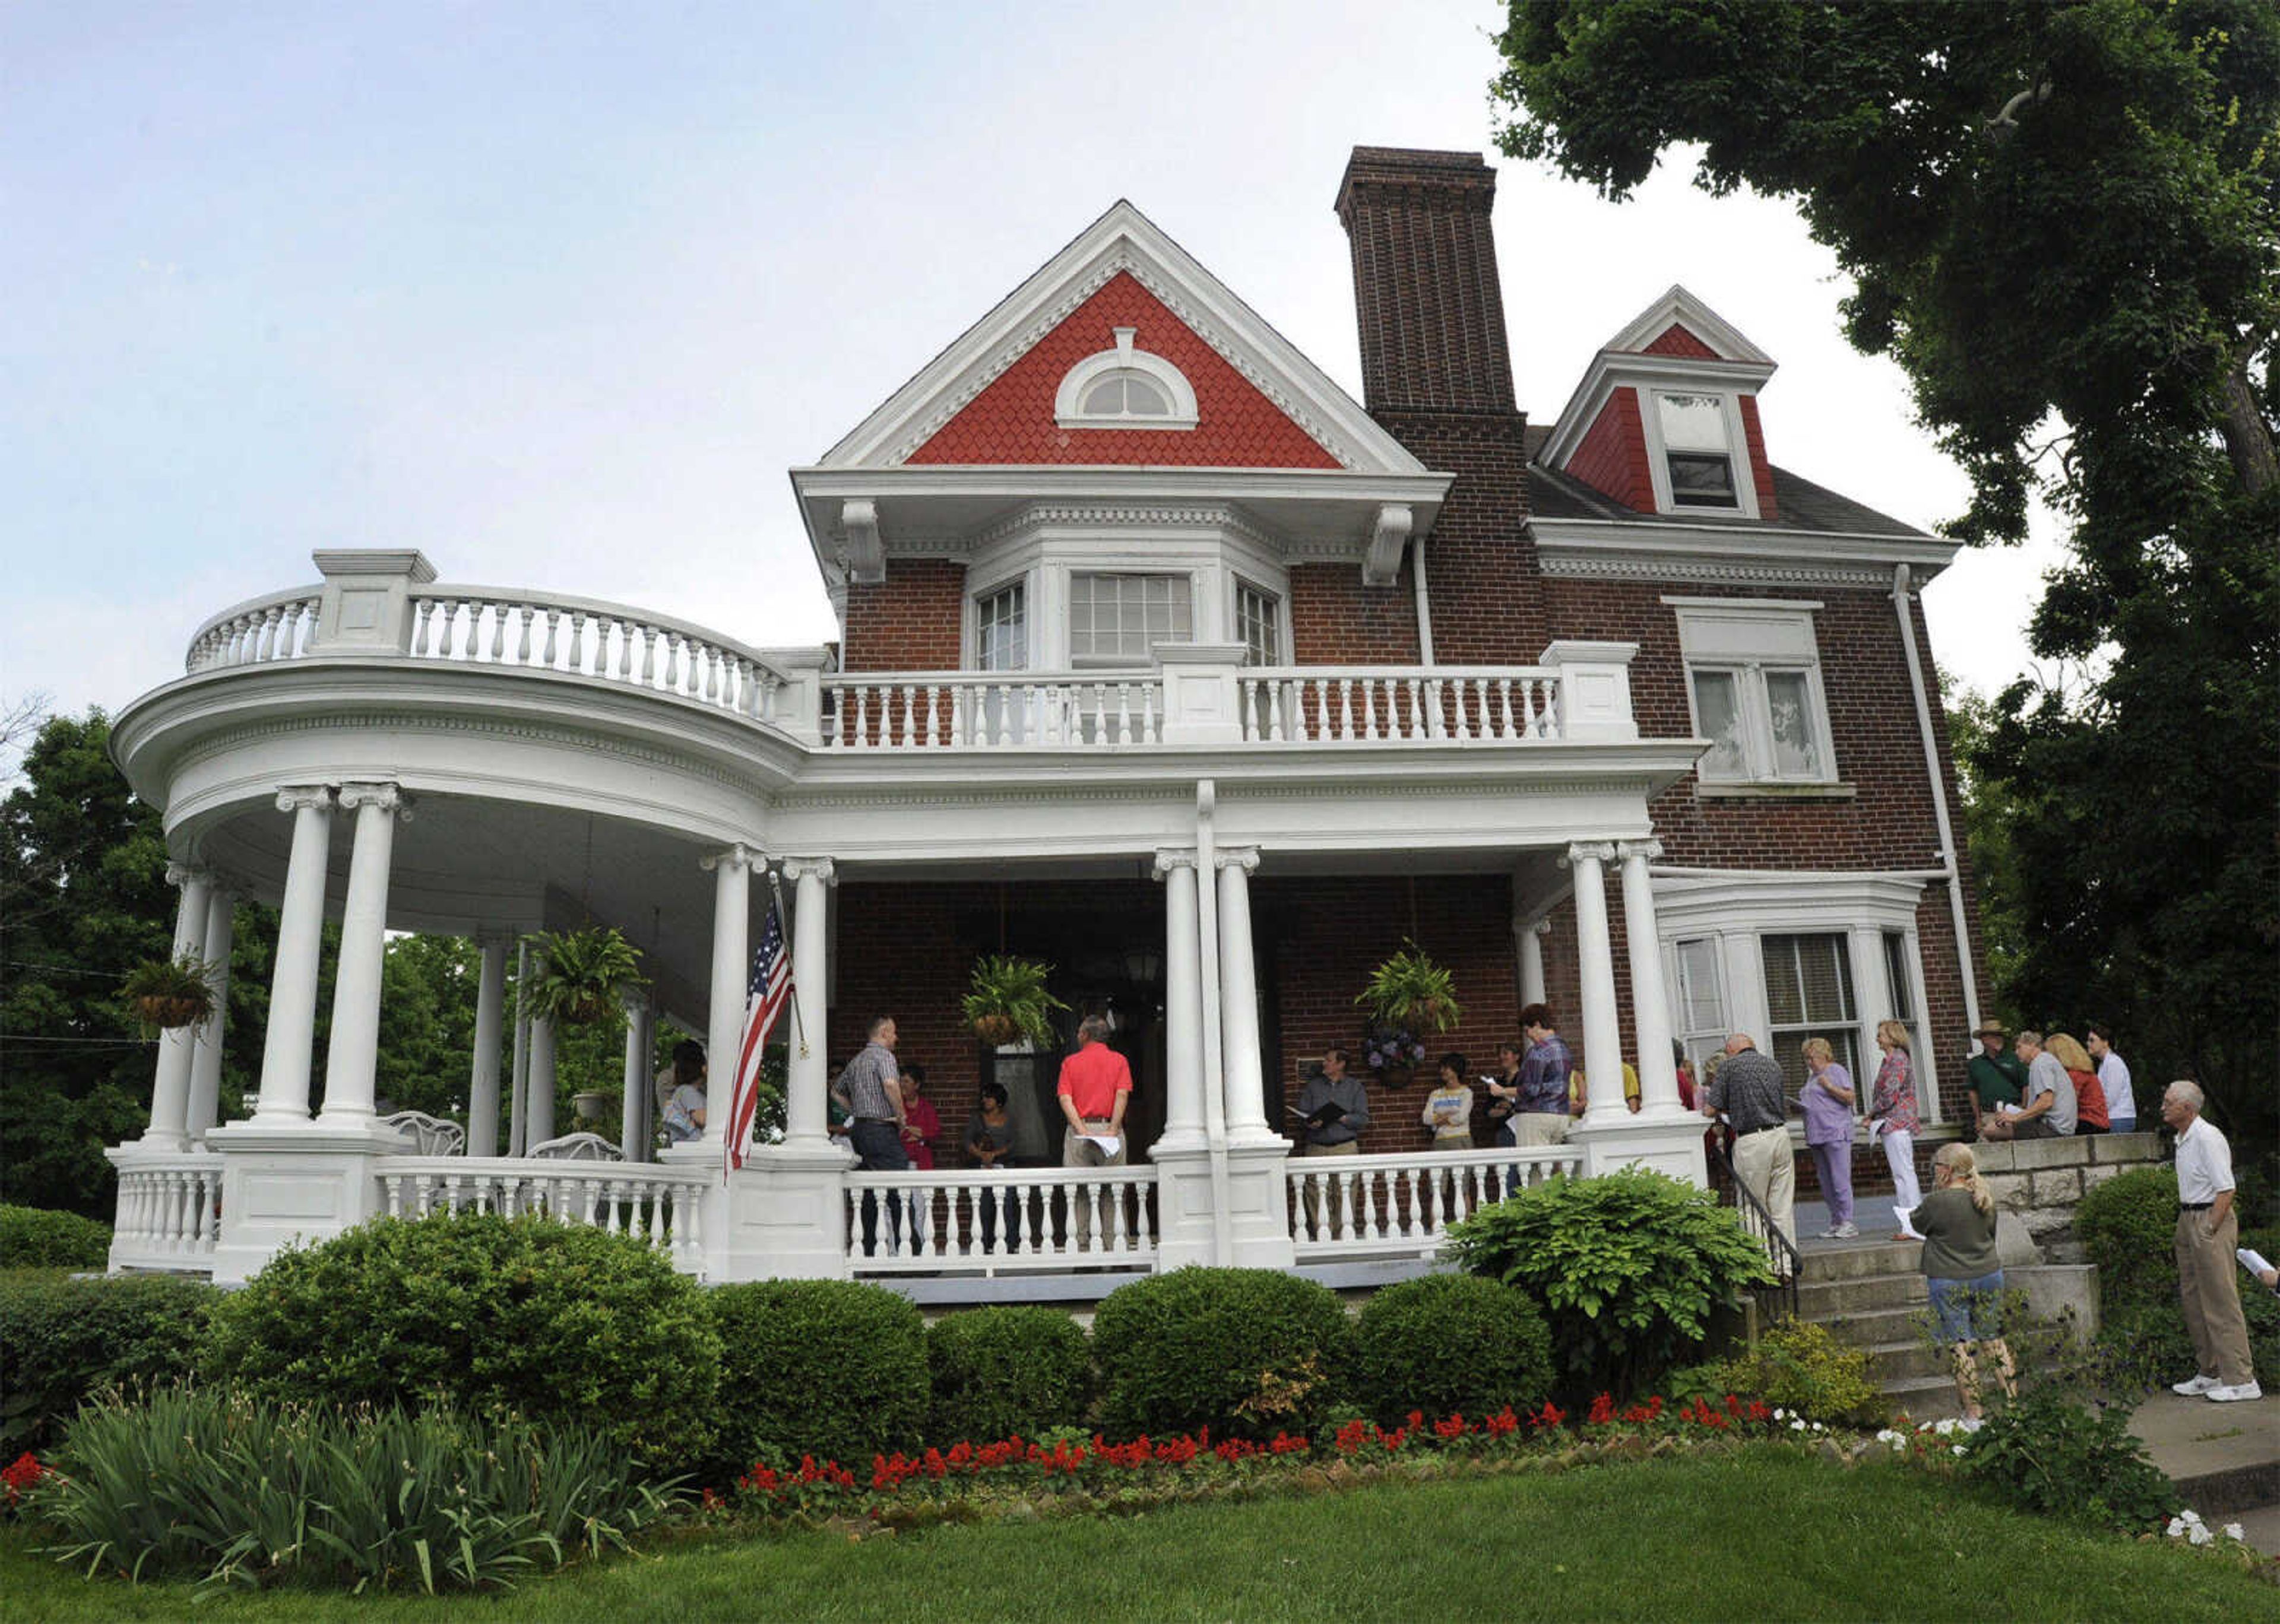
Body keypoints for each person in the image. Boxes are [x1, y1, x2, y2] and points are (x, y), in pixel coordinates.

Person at [2162, 1081, 2260, 1402]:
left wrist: (2210, 1227)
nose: (2163, 1107)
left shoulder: (2207, 1137)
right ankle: (2210, 1371)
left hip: (2209, 1217)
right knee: (2194, 1300)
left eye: (2168, 1103)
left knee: (2220, 1299)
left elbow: (2227, 1189)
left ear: (2187, 1109)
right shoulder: (2183, 1138)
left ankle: (2242, 1379)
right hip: (2188, 1216)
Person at [1910, 1143, 2016, 1422]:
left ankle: (1974, 1415)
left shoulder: (1936, 1202)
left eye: (1936, 1167)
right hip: (1989, 1274)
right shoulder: (1984, 1197)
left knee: (1961, 1347)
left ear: (1946, 1170)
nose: (1934, 1171)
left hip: (1948, 1279)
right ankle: (2014, 1411)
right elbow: (1990, 1233)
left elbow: (1917, 1223)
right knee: (1994, 1342)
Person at [1703, 1033, 1796, 1269]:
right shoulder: (1773, 1065)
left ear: (1731, 1050)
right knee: (1781, 1205)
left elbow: (1710, 1108)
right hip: (1781, 1135)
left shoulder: (1729, 1066)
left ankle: (1762, 1266)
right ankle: (1784, 1265)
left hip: (1752, 1140)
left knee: (1752, 1206)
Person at [1057, 1014, 1132, 1250]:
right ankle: (1116, 1246)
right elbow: (1122, 1094)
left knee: (1079, 1192)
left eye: (1079, 1032)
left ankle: (1081, 1249)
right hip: (1109, 1128)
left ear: (1086, 1035)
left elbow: (1065, 1098)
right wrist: (1112, 1128)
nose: (1077, 1035)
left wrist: (1081, 1129)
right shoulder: (1119, 1061)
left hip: (1082, 1129)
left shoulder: (1070, 1062)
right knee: (1114, 1192)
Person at [840, 1016, 908, 1254]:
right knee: (900, 1192)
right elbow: (890, 1084)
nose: (896, 1038)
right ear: (884, 1032)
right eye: (894, 1032)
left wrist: (858, 1111)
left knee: (867, 1195)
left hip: (859, 1132)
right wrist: (901, 1115)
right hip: (881, 1129)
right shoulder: (884, 1056)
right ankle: (909, 1254)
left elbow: (836, 1092)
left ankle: (867, 1254)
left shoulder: (856, 1061)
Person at [1294, 1047, 1371, 1238]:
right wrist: (1311, 1123)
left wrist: (1341, 1117)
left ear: (1341, 1064)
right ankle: (1323, 1233)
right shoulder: (1313, 1087)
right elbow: (1302, 1116)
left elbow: (1363, 1119)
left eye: (1328, 1060)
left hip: (1345, 1146)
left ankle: (1342, 1234)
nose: (1324, 1063)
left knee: (1344, 1192)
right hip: (1317, 1146)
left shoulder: (1355, 1087)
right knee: (1316, 1192)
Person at [1867, 1020, 1923, 1241]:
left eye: (1881, 1034)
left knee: (1904, 1174)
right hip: (1892, 1123)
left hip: (1897, 1122)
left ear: (1892, 1036)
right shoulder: (1891, 1060)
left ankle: (1914, 1225)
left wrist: (1871, 1114)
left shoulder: (1898, 1060)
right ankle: (1911, 1224)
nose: (1877, 1038)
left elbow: (1890, 1094)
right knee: (1902, 1174)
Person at [1800, 1037, 1858, 1240]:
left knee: (1840, 1179)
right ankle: (1836, 1221)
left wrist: (1830, 1087)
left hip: (1835, 1132)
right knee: (1825, 1181)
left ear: (1824, 1055)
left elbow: (1850, 1098)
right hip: (1816, 1134)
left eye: (1812, 1057)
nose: (1809, 1062)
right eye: (1806, 1058)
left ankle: (1848, 1222)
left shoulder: (1835, 1071)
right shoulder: (1811, 1078)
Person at [1978, 1030, 2074, 1141]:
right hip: (2056, 1126)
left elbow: (2046, 1102)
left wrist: (2015, 1117)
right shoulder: (2045, 1061)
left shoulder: (2040, 1063)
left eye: (2019, 1047)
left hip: (2053, 1128)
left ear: (2032, 1045)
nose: (2016, 1052)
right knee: (2001, 1124)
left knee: (1991, 1130)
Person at [964, 1080, 1021, 1254]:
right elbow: (967, 1141)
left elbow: (1014, 1143)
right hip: (983, 1168)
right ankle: (983, 1245)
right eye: (983, 1097)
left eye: (989, 1097)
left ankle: (1010, 1245)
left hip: (1005, 1167)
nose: (985, 1101)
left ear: (999, 1100)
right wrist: (982, 1155)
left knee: (1007, 1208)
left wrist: (995, 1154)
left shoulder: (1010, 1120)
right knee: (984, 1208)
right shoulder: (977, 1119)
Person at [1509, 1005, 1572, 1146]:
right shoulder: (1564, 1049)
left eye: (1527, 1030)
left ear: (1537, 1025)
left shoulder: (1538, 1051)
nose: (1528, 1036)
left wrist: (1503, 1091)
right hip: (1561, 1115)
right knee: (1555, 1166)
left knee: (1533, 1165)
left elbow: (1531, 1090)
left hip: (1535, 1116)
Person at [898, 1060, 940, 1248]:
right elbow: (898, 1133)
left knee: (921, 1207)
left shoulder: (926, 1108)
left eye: (907, 1081)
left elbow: (934, 1133)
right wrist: (917, 1133)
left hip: (922, 1165)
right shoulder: (897, 1107)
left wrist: (917, 1133)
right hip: (901, 1165)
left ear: (917, 1085)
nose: (902, 1085)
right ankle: (902, 1247)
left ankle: (921, 1246)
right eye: (901, 1081)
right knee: (901, 1206)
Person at [1964, 1021, 2026, 1140]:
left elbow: (2026, 1085)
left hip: (2013, 1113)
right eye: (1994, 1036)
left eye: (2000, 1035)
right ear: (1984, 1040)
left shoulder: (2014, 1058)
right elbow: (1973, 1092)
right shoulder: (1975, 1064)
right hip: (1988, 1115)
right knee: (1986, 1151)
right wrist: (1978, 1119)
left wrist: (2022, 1110)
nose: (1999, 1039)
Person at [2044, 1033, 2107, 1135]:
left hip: (2090, 1123)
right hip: (2097, 1123)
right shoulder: (2084, 1072)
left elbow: (2065, 1105)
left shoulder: (2075, 1075)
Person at [2085, 1026, 2136, 1134]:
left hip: (2119, 1119)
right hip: (2114, 1118)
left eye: (2092, 1040)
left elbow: (2111, 1097)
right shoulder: (2105, 1064)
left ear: (2105, 1043)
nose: (2088, 1044)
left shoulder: (2113, 1063)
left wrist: (2095, 1114)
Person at [660, 1040, 707, 1144]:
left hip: (684, 1145)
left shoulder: (682, 1090)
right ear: (702, 1068)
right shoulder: (689, 1092)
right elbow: (702, 1119)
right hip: (693, 1147)